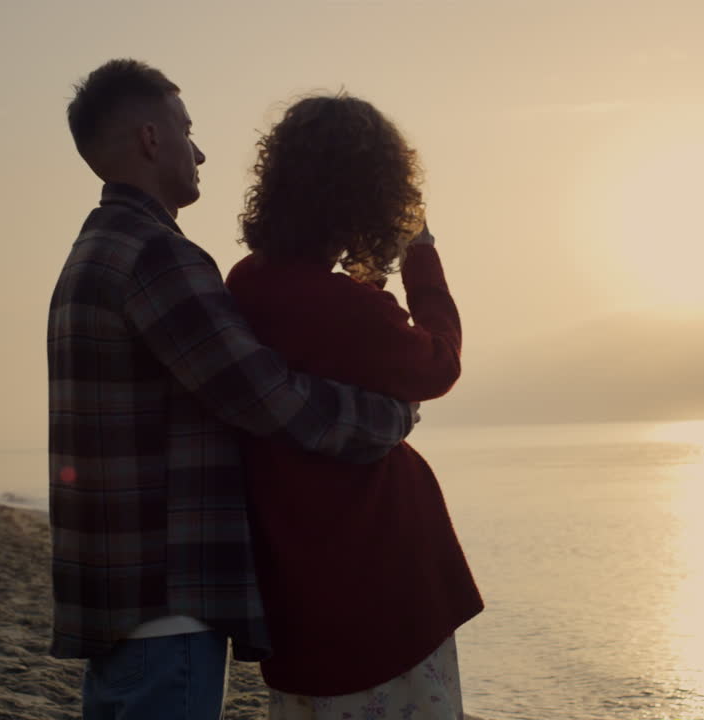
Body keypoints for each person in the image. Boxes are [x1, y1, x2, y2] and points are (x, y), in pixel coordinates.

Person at [48, 60, 417, 720]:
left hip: (117, 596)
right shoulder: (155, 256)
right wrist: (388, 416)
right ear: (151, 138)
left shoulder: (93, 251)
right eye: (187, 131)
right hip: (168, 600)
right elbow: (268, 399)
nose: (200, 153)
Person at [225, 94, 483, 720]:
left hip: (300, 584)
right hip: (377, 584)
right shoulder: (347, 310)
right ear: (370, 197)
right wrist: (418, 251)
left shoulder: (247, 282)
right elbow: (439, 363)